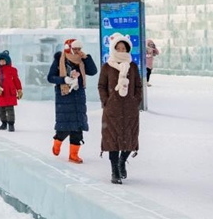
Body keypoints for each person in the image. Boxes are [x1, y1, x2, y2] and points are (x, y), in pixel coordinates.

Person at [98, 33, 142, 184]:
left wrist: (136, 101)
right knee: (112, 140)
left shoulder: (133, 66)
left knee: (130, 138)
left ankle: (122, 161)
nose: (122, 51)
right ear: (113, 49)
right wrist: (106, 101)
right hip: (112, 110)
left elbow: (138, 86)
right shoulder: (107, 66)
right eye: (119, 48)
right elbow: (101, 86)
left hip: (130, 110)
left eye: (124, 48)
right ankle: (114, 170)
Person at [47, 39, 98, 163]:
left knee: (78, 126)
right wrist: (64, 79)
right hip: (64, 96)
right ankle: (57, 142)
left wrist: (86, 58)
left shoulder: (81, 60)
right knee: (64, 127)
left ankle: (73, 154)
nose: (78, 51)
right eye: (75, 49)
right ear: (68, 48)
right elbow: (50, 77)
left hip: (78, 95)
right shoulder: (60, 60)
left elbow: (93, 71)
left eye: (79, 49)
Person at [0, 50, 23, 132]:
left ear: (7, 61)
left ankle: (11, 124)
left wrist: (19, 89)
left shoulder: (13, 70)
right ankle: (4, 123)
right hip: (1, 92)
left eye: (3, 60)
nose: (2, 62)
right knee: (1, 109)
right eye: (0, 61)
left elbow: (16, 80)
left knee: (10, 109)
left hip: (10, 92)